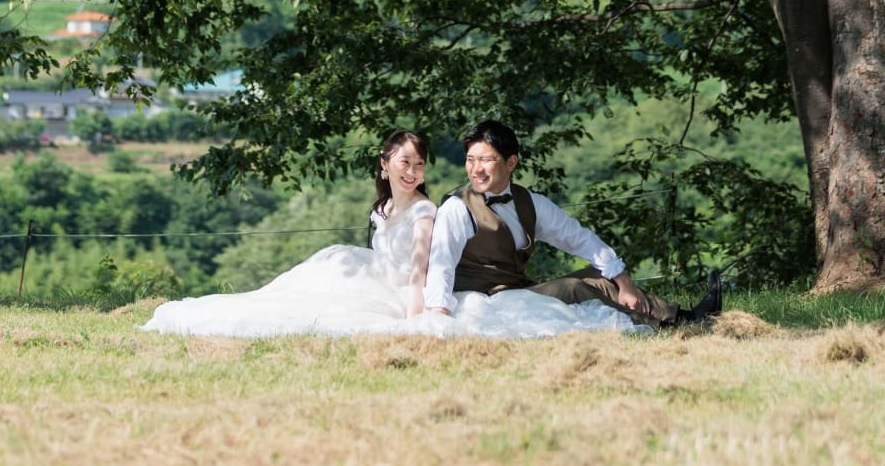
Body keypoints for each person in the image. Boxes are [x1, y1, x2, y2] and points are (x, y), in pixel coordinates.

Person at [424, 120, 722, 330]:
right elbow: (441, 264)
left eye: (485, 160)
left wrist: (625, 282)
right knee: (572, 287)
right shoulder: (457, 207)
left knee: (602, 277)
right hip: (481, 301)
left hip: (516, 292)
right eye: (470, 160)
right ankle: (657, 328)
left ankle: (684, 317)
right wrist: (439, 314)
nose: (475, 169)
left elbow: (578, 238)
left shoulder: (530, 202)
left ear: (510, 162)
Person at [140, 130, 437, 336]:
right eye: (405, 163)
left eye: (419, 164)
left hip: (396, 290)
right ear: (385, 165)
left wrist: (414, 321)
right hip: (372, 276)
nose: (412, 172)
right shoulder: (383, 207)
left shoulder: (423, 211)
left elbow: (417, 272)